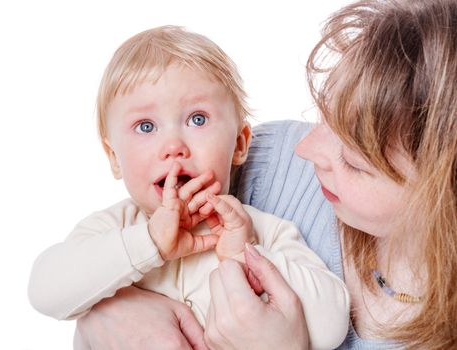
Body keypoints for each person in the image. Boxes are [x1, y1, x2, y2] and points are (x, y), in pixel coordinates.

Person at [73, 0, 457, 349]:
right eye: (326, 115)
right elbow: (78, 283)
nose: (306, 150)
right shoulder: (267, 164)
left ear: (441, 192)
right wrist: (110, 311)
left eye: (354, 161)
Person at [27, 26, 350, 350]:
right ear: (114, 158)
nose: (173, 146)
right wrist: (149, 241)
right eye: (146, 126)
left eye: (197, 119)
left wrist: (243, 254)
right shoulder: (115, 229)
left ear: (239, 144)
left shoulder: (261, 232)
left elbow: (330, 327)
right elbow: (44, 292)